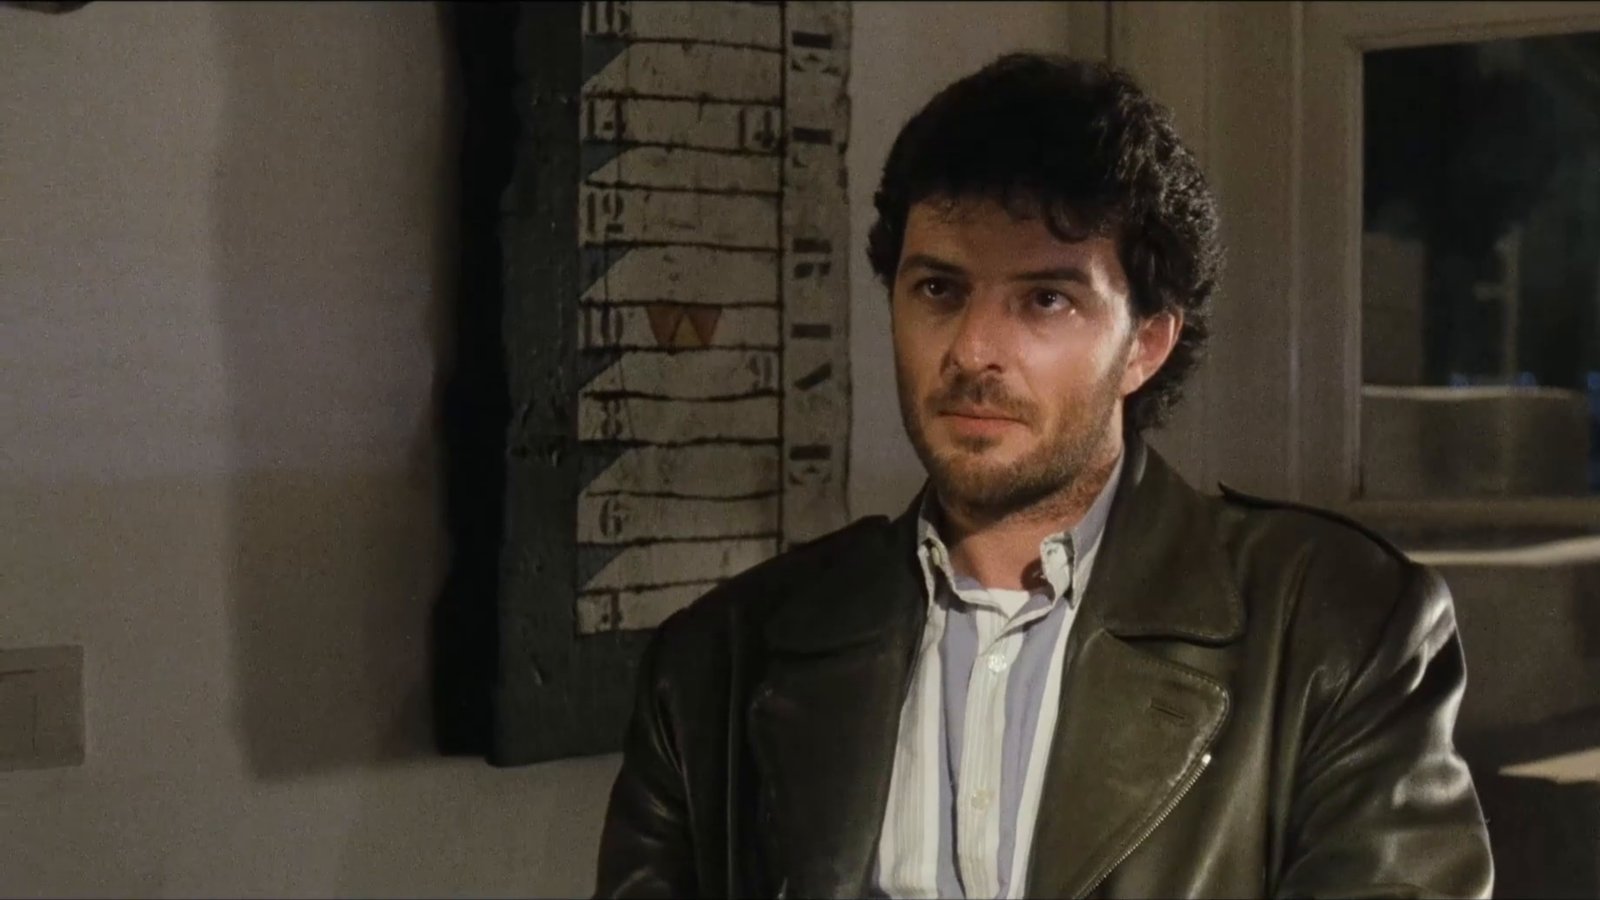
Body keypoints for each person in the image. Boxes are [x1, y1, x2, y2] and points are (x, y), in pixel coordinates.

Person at [593, 53, 1494, 899]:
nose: (973, 351)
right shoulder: (716, 664)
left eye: (1045, 299)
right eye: (939, 290)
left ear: (1146, 344)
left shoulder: (1336, 628)